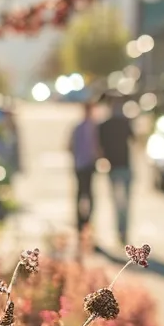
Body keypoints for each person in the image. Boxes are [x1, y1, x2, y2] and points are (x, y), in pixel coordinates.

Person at [96, 94, 135, 246]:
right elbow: (135, 140)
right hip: (118, 167)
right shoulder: (121, 123)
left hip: (119, 167)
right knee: (122, 202)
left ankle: (122, 231)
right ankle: (122, 230)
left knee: (119, 202)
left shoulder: (106, 125)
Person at [68, 101, 101, 253]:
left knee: (82, 193)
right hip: (86, 164)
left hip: (80, 164)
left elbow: (69, 146)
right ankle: (85, 222)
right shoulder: (91, 127)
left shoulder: (79, 127)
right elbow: (96, 147)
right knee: (87, 193)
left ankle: (82, 222)